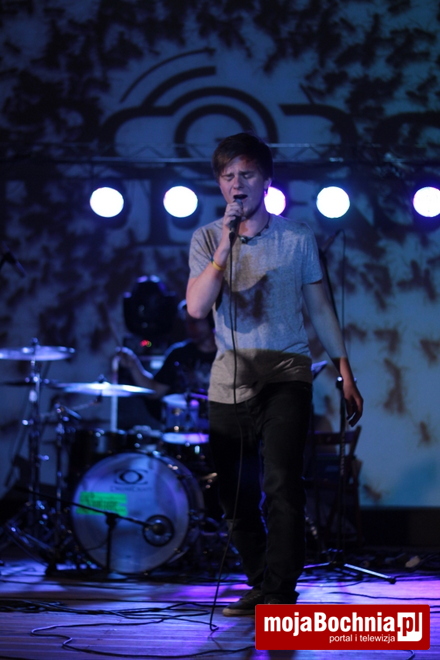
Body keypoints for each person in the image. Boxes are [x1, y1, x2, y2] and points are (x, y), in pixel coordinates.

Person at [186, 132, 363, 614]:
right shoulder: (207, 238)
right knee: (235, 494)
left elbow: (321, 308)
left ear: (266, 181)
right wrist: (224, 248)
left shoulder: (296, 237)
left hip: (286, 373)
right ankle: (261, 581)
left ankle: (281, 593)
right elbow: (197, 307)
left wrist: (344, 369)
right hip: (229, 381)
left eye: (246, 174)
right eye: (228, 176)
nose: (236, 184)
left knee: (282, 483)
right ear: (219, 184)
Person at [117, 301, 217, 422]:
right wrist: (133, 364)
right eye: (187, 323)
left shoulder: (228, 355)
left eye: (195, 322)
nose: (190, 328)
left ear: (211, 320)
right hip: (187, 425)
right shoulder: (179, 354)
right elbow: (154, 391)